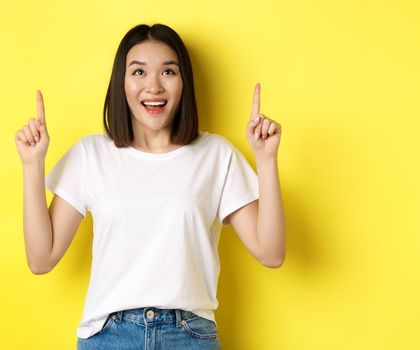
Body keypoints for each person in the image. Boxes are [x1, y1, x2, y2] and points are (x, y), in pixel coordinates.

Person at [15, 23, 286, 349]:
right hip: (108, 337)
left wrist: (266, 160)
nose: (153, 86)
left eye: (168, 72)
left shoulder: (216, 155)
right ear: (122, 82)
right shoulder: (91, 155)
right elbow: (41, 259)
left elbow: (271, 253)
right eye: (139, 72)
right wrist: (32, 166)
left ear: (183, 82)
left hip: (189, 336)